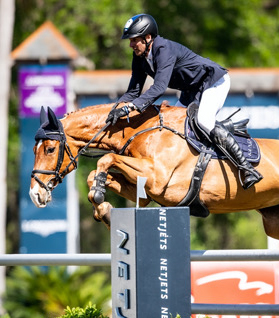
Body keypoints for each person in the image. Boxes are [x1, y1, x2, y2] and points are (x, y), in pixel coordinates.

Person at [107, 13, 262, 189]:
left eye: (134, 40)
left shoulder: (163, 50)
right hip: (191, 90)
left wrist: (130, 109)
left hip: (213, 81)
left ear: (148, 37)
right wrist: (114, 109)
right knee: (172, 127)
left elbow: (158, 87)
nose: (131, 44)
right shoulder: (140, 57)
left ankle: (247, 168)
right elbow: (134, 90)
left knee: (203, 121)